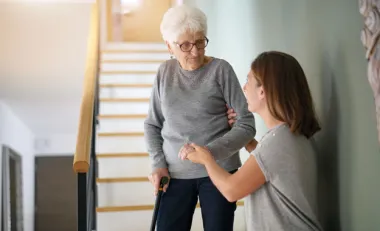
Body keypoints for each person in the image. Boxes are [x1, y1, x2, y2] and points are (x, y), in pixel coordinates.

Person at [143, 4, 256, 231]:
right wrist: (158, 164)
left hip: (219, 170)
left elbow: (246, 124)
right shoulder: (164, 73)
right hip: (174, 173)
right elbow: (152, 124)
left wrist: (208, 155)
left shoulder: (221, 70)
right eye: (185, 45)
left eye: (199, 42)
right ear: (169, 46)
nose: (194, 51)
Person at [182, 51, 324, 231]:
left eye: (248, 80)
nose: (244, 87)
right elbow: (270, 168)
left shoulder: (278, 142)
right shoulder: (289, 136)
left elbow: (231, 190)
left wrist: (206, 159)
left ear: (262, 91)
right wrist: (248, 142)